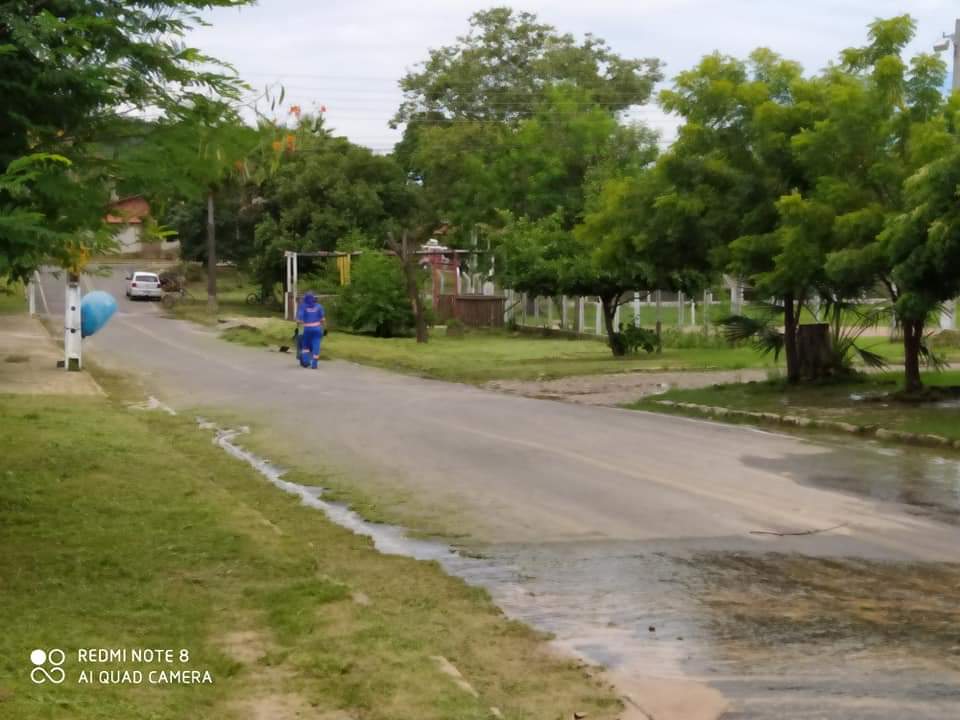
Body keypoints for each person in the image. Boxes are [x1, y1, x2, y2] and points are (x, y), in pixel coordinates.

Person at [296, 292, 326, 369]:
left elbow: (299, 320)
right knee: (316, 345)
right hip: (317, 329)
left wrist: (300, 323)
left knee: (305, 345)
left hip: (307, 329)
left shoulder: (303, 306)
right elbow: (323, 319)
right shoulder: (319, 306)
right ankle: (314, 363)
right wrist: (323, 329)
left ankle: (306, 362)